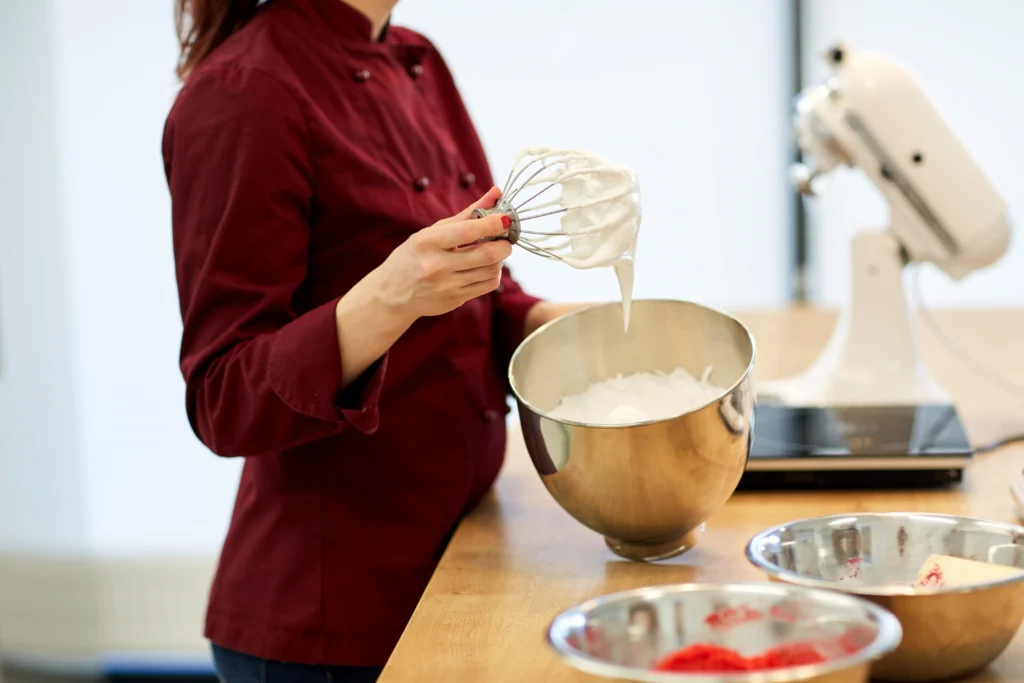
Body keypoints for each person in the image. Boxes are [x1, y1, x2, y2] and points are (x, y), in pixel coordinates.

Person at [164, 0, 581, 680]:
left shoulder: (418, 58)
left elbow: (468, 283)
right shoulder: (243, 93)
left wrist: (547, 324)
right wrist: (389, 296)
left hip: (456, 559)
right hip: (330, 626)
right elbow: (223, 397)